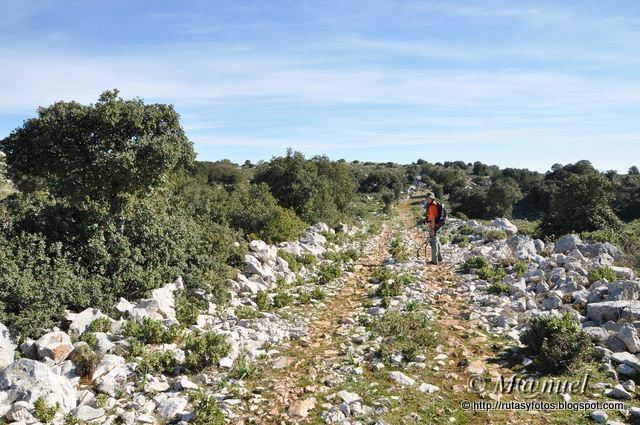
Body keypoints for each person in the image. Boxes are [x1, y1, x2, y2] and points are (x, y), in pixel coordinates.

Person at [425, 192, 443, 265]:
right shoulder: (435, 204)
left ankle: (434, 260)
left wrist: (432, 229)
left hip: (434, 225)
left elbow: (432, 218)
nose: (426, 199)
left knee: (433, 242)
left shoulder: (432, 206)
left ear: (431, 198)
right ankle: (439, 257)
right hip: (438, 225)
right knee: (436, 240)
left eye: (427, 198)